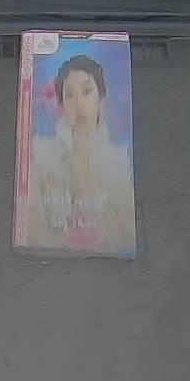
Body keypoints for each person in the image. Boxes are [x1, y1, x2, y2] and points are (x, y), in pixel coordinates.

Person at [27, 54, 136, 254]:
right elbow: (30, 231)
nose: (79, 104)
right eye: (69, 95)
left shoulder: (120, 162)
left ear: (101, 98)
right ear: (61, 105)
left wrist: (83, 175)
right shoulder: (41, 155)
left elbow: (124, 236)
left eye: (87, 91)